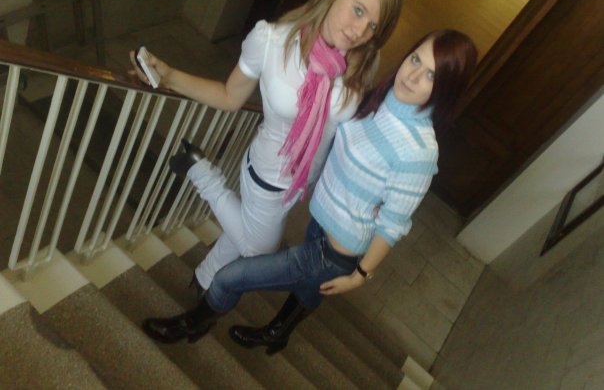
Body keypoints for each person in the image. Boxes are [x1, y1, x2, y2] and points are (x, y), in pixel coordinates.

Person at [141, 29, 479, 353]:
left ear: (446, 89)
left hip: (336, 253)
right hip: (319, 222)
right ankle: (279, 333)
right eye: (416, 59)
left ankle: (193, 324)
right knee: (309, 287)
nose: (413, 76)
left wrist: (360, 275)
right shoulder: (383, 98)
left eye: (431, 75)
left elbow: (393, 224)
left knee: (231, 277)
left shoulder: (419, 153)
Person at [130, 0, 403, 295]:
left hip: (300, 184)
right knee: (258, 250)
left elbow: (344, 131)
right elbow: (229, 96)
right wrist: (169, 76)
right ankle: (198, 169)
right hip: (266, 178)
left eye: (373, 26)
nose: (359, 31)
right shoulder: (272, 41)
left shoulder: (362, 61)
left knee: (242, 234)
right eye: (358, 10)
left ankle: (203, 279)